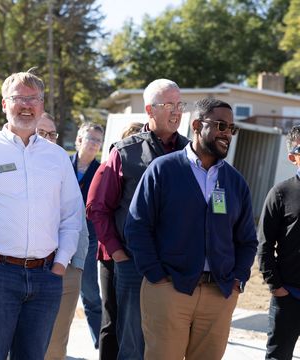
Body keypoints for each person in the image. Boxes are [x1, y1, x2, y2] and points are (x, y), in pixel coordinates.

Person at [0, 71, 83, 360]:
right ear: (3, 104)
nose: (27, 105)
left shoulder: (57, 157)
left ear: (42, 104)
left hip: (46, 276)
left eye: (34, 99)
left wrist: (60, 264)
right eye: (19, 98)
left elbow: (72, 215)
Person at [125, 97, 258, 360]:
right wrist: (156, 275)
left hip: (219, 294)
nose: (227, 134)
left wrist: (236, 280)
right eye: (220, 125)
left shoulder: (235, 181)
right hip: (169, 290)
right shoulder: (163, 169)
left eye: (231, 128)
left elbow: (247, 240)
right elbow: (137, 226)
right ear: (197, 125)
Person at [86, 78, 189, 359]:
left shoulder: (191, 152)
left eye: (179, 105)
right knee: (132, 343)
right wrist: (118, 253)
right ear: (149, 110)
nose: (176, 111)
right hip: (133, 264)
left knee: (169, 341)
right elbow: (98, 207)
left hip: (177, 265)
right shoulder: (125, 152)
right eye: (168, 105)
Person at [86, 121, 144, 360]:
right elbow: (95, 208)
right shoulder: (112, 162)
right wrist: (116, 250)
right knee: (113, 318)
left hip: (135, 256)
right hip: (112, 256)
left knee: (134, 321)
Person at [37, 112, 89, 360]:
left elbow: (78, 220)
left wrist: (75, 266)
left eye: (52, 134)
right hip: (17, 271)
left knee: (55, 348)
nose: (48, 139)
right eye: (41, 133)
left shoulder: (63, 168)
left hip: (64, 272)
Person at [258, 125, 300, 360]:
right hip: (289, 297)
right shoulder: (281, 193)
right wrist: (277, 287)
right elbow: (264, 246)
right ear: (292, 156)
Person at [70, 122, 104, 349]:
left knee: (91, 295)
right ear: (78, 140)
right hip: (55, 238)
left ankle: (100, 345)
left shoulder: (103, 172)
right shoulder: (61, 164)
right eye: (90, 138)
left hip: (89, 240)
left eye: (97, 141)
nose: (93, 144)